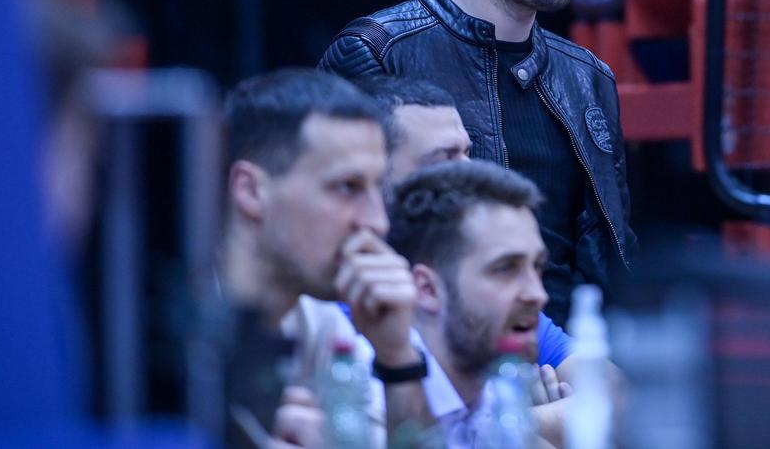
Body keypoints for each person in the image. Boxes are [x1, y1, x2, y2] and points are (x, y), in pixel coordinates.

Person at [320, 0, 636, 325]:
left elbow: (607, 261)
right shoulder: (376, 54)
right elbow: (339, 240)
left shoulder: (588, 79)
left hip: (570, 358)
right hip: (436, 348)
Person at [218, 68, 431, 447]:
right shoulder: (166, 334)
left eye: (378, 189)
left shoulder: (318, 321)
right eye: (347, 187)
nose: (378, 223)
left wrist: (398, 356)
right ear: (251, 191)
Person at [356, 74, 577, 373]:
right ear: (374, 176)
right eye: (445, 160)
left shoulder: (481, 281)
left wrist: (549, 403)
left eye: (467, 153)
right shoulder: (339, 303)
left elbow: (599, 380)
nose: (470, 172)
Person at [387, 159, 577, 448]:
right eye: (505, 269)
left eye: (537, 266)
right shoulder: (361, 406)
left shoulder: (501, 409)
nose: (538, 294)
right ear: (428, 289)